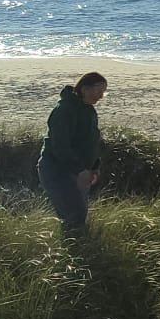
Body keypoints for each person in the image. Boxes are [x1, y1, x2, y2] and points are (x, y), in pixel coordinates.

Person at [39, 72, 107, 230]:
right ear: (85, 89)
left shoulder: (88, 109)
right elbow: (60, 146)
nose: (101, 96)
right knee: (74, 217)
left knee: (78, 216)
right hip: (57, 170)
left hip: (80, 171)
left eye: (104, 92)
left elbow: (91, 141)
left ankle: (78, 243)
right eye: (98, 91)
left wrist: (94, 166)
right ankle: (75, 244)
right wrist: (80, 170)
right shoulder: (64, 110)